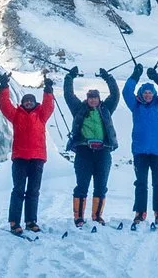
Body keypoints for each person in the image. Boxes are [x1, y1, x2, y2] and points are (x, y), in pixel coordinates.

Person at [0, 71, 55, 234]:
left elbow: (49, 105)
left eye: (31, 100)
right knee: (18, 190)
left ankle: (31, 221)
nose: (28, 102)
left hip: (37, 158)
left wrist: (48, 90)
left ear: (35, 102)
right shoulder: (16, 115)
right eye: (26, 101)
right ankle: (15, 222)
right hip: (20, 158)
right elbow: (5, 105)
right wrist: (4, 86)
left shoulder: (41, 114)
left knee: (33, 191)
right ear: (22, 103)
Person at [63, 66, 121, 227]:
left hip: (103, 151)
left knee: (101, 185)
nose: (93, 100)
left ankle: (97, 216)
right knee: (82, 184)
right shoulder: (79, 109)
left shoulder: (106, 108)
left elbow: (115, 95)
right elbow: (69, 95)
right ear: (87, 99)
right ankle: (79, 217)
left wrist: (108, 78)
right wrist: (70, 77)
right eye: (90, 97)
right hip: (84, 151)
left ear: (99, 99)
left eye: (95, 97)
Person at [123, 63, 158, 227]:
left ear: (154, 94)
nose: (147, 95)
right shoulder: (135, 106)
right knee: (141, 182)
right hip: (140, 151)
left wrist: (157, 78)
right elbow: (125, 92)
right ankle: (140, 212)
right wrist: (135, 76)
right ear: (140, 94)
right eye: (145, 92)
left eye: (150, 93)